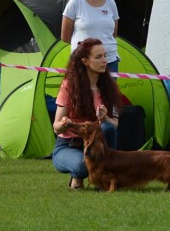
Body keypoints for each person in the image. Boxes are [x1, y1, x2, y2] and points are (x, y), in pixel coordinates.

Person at [52, 38, 122, 189]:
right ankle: (78, 176)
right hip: (68, 146)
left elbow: (115, 125)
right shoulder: (69, 86)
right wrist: (65, 124)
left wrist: (106, 118)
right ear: (84, 61)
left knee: (107, 128)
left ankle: (106, 175)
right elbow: (56, 127)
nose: (104, 61)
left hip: (97, 145)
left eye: (105, 56)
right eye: (98, 57)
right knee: (82, 166)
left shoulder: (111, 88)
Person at [61, 0, 121, 73]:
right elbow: (65, 37)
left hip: (110, 62)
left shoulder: (111, 4)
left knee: (107, 92)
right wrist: (88, 52)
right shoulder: (75, 3)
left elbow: (113, 34)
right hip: (83, 63)